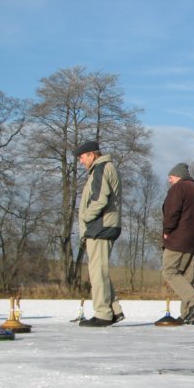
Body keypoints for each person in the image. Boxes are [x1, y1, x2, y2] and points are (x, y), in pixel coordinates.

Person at [76, 140, 125, 327]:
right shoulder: (103, 168)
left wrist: (86, 218)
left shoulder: (101, 168)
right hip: (103, 226)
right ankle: (114, 310)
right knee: (100, 270)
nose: (81, 161)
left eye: (82, 157)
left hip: (100, 226)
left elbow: (100, 198)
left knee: (97, 272)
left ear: (91, 155)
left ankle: (103, 313)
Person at [155, 163, 194, 326]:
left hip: (178, 238)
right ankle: (188, 316)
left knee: (169, 271)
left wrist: (167, 230)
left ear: (178, 176)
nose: (169, 180)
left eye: (170, 177)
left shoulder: (178, 189)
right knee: (188, 276)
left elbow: (172, 211)